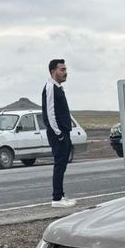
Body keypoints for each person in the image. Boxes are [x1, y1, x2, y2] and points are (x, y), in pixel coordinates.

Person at [42, 59, 76, 208]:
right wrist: (59, 133)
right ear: (53, 71)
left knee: (62, 164)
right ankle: (56, 198)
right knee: (59, 164)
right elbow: (50, 113)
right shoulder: (50, 87)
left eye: (65, 69)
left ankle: (60, 195)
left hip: (63, 132)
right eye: (62, 70)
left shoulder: (58, 88)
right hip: (58, 134)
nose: (65, 72)